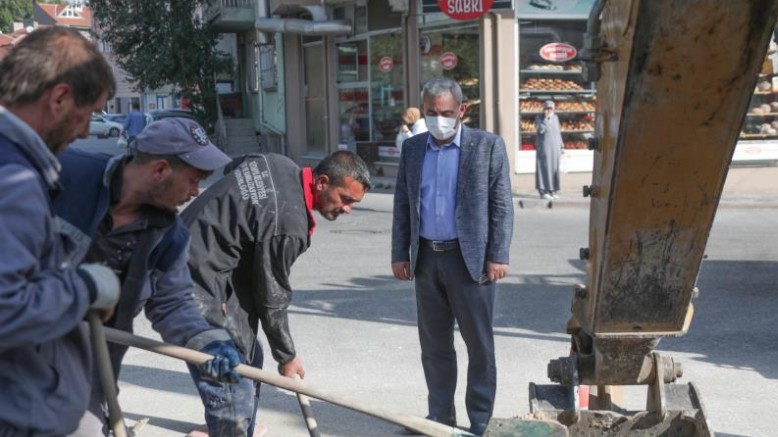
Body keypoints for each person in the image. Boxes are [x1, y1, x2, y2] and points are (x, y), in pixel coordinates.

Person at [54, 118, 243, 436]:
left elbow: (174, 305)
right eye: (194, 180)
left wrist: (211, 345)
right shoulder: (65, 174)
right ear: (159, 170)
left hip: (84, 373)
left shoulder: (169, 237)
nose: (196, 192)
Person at [181, 150, 372, 437]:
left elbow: (238, 164)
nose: (347, 209)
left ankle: (239, 427)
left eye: (353, 203)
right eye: (345, 199)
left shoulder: (278, 163)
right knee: (231, 377)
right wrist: (287, 356)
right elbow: (272, 295)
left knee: (251, 357)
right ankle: (229, 427)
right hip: (192, 283)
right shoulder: (288, 224)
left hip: (208, 264)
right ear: (321, 183)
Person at [0, 26, 122, 436]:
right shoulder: (12, 178)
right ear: (59, 98)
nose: (86, 131)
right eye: (86, 115)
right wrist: (84, 288)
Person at [391, 77, 514, 436]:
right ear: (423, 110)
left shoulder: (487, 146)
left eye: (446, 113)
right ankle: (440, 419)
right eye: (431, 113)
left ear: (461, 110)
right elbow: (402, 203)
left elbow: (501, 205)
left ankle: (479, 422)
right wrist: (400, 252)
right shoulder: (413, 149)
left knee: (479, 347)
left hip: (470, 261)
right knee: (434, 346)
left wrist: (498, 254)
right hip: (427, 258)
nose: (439, 119)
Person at [535, 100, 562, 200]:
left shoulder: (556, 118)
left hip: (555, 148)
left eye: (551, 108)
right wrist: (546, 119)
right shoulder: (539, 118)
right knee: (544, 169)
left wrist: (561, 146)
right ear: (544, 109)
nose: (549, 110)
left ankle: (553, 190)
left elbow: (558, 132)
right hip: (544, 148)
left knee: (555, 169)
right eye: (547, 108)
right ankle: (543, 191)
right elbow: (540, 130)